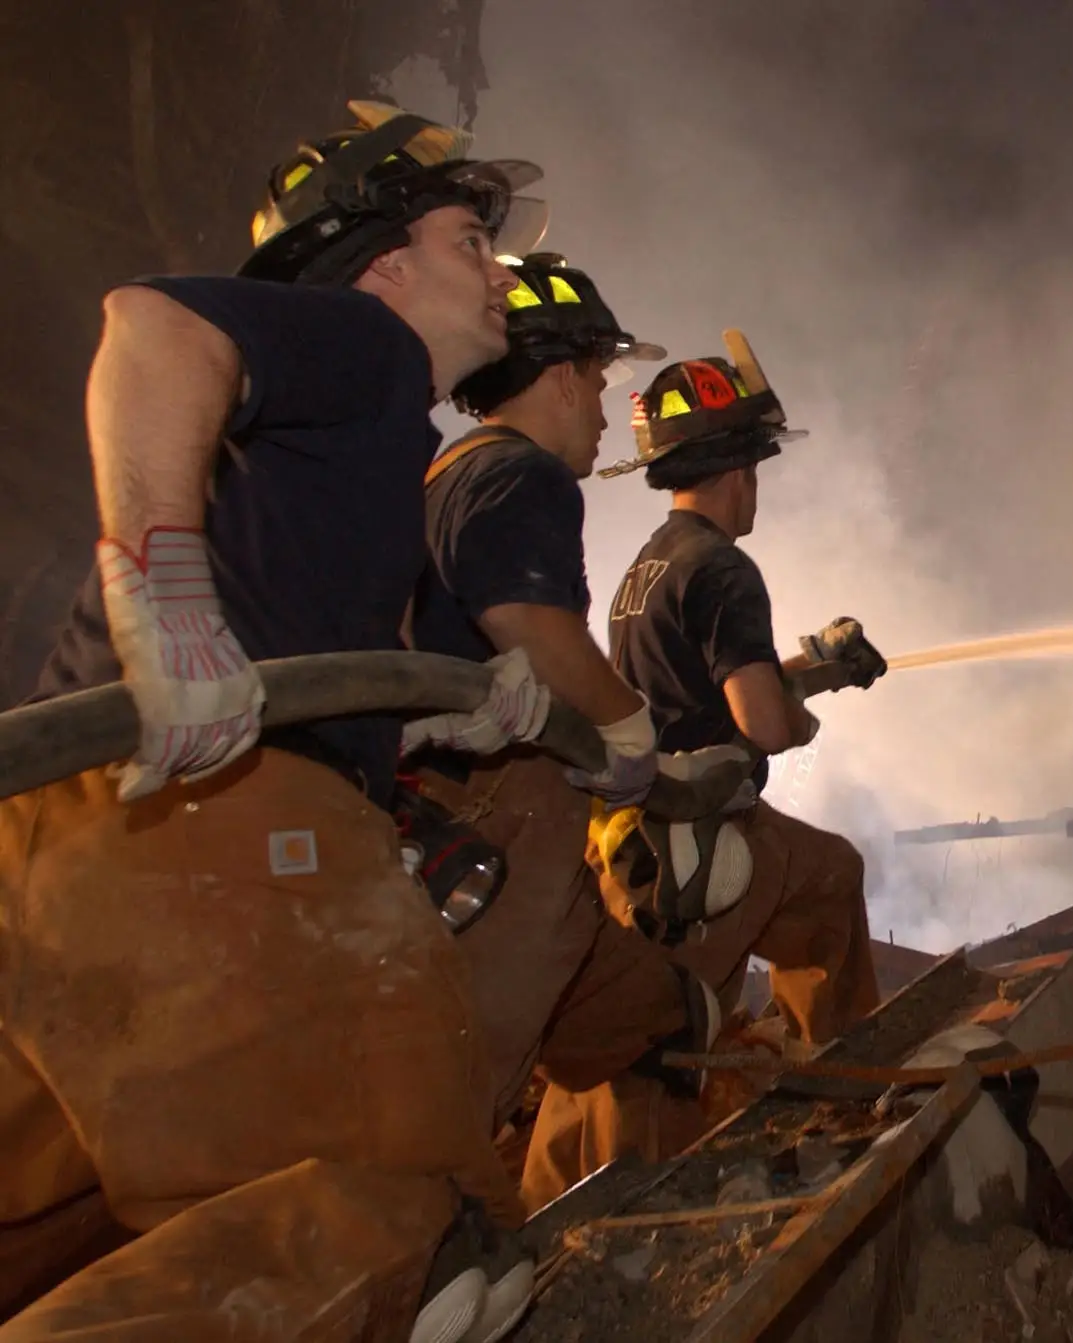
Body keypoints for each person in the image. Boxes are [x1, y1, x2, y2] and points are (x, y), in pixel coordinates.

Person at [0, 101, 550, 1343]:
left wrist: (444, 711)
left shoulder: (360, 448)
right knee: (404, 1216)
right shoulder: (363, 342)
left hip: (70, 838)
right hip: (206, 818)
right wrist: (163, 594)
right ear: (385, 262)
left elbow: (297, 638)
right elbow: (150, 325)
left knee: (56, 1233)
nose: (498, 269)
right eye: (472, 237)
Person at [519, 340, 886, 1205]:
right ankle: (833, 1099)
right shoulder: (726, 568)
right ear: (742, 469)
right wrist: (800, 714)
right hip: (701, 840)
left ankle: (543, 1194)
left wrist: (816, 664)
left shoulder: (646, 566)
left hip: (632, 836)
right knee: (664, 1032)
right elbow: (760, 720)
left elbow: (692, 688)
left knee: (617, 1017)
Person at [405, 253, 734, 1189]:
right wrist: (629, 732)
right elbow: (532, 622)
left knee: (649, 1021)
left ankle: (608, 1215)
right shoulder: (525, 477)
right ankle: (442, 1239)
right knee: (479, 1064)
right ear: (557, 377)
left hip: (469, 812)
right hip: (505, 819)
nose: (600, 408)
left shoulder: (448, 469)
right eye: (595, 381)